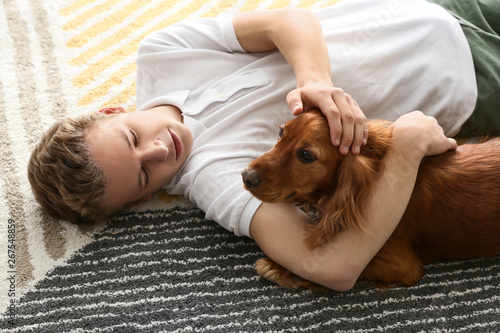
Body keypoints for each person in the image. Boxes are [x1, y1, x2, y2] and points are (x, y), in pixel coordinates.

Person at [28, 0, 499, 291]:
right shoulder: (218, 182)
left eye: (132, 138)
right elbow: (333, 267)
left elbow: (286, 19)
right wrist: (409, 149)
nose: (158, 151)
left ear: (112, 111)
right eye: (144, 175)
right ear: (145, 198)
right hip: (472, 84)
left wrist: (314, 81)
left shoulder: (161, 54)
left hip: (425, 9)